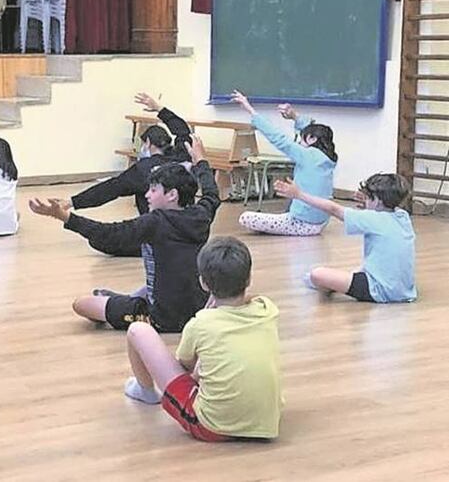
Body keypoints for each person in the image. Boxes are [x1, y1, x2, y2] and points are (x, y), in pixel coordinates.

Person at [29, 136, 220, 333]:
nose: (147, 195)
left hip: (163, 319)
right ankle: (127, 299)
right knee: (160, 281)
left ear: (172, 195)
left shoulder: (154, 222)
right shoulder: (201, 214)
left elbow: (108, 234)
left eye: (153, 190)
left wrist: (64, 217)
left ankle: (125, 303)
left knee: (82, 304)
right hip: (199, 310)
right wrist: (201, 161)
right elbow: (211, 194)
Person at [123, 237, 282, 442]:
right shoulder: (267, 309)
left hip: (212, 426)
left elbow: (185, 368)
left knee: (138, 330)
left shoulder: (200, 323)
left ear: (203, 283)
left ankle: (145, 390)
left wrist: (206, 316)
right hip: (265, 422)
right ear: (249, 278)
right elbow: (249, 301)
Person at [275, 173, 416, 303]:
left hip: (380, 291)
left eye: (368, 198)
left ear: (378, 201)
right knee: (357, 270)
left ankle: (329, 285)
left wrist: (299, 195)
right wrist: (370, 204)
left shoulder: (372, 218)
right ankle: (335, 283)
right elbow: (380, 212)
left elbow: (333, 209)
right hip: (404, 291)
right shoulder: (402, 216)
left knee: (317, 274)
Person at [68, 93, 193, 232]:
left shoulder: (143, 169)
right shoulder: (184, 155)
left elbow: (110, 189)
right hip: (187, 227)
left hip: (158, 230)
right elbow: (183, 131)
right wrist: (159, 108)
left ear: (149, 143)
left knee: (107, 238)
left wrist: (72, 202)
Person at [231, 92, 337, 236]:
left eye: (302, 138)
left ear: (312, 139)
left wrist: (250, 109)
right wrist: (294, 116)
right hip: (321, 223)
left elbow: (278, 137)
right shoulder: (327, 159)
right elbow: (311, 127)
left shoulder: (308, 155)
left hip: (303, 223)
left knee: (245, 218)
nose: (299, 142)